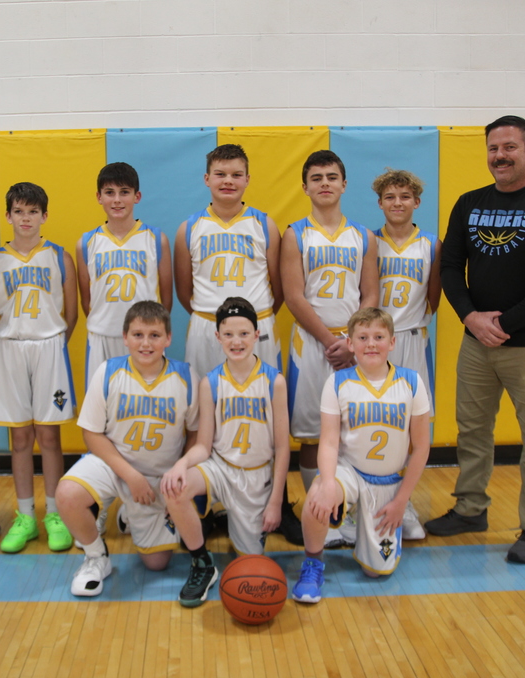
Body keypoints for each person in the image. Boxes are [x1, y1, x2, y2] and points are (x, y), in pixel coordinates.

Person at [425, 115, 525, 565]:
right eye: (494, 148)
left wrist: (504, 324)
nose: (501, 156)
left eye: (510, 147)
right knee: (472, 430)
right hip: (477, 343)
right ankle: (470, 509)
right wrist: (471, 318)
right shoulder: (470, 203)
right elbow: (450, 267)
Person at [174, 143, 301, 544]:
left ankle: (277, 501)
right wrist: (218, 323)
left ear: (247, 179)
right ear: (206, 179)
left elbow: (277, 287)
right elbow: (184, 290)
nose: (228, 181)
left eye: (236, 174)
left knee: (267, 415)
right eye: (220, 174)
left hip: (256, 326)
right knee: (201, 416)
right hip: (206, 326)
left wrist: (249, 324)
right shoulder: (189, 227)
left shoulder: (265, 225)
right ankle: (205, 504)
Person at [56, 301, 200, 597]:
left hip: (158, 477)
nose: (146, 343)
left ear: (168, 338)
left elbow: (195, 434)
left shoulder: (186, 377)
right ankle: (96, 557)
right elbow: (91, 433)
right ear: (125, 337)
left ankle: (129, 514)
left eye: (154, 335)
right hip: (113, 465)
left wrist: (179, 474)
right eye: (137, 335)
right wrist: (131, 476)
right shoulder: (108, 372)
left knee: (157, 564)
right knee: (68, 493)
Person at [291, 308, 431, 603]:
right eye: (363, 337)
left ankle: (364, 532)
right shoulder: (338, 382)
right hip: (350, 473)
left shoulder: (412, 382)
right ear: (350, 344)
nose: (371, 344)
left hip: (388, 482)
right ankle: (313, 564)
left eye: (379, 337)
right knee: (317, 496)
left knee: (375, 572)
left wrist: (401, 502)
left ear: (392, 342)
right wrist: (328, 481)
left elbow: (421, 448)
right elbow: (329, 442)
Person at [162, 297, 291, 608]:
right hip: (220, 468)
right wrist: (181, 464)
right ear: (217, 337)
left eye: (244, 333)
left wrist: (276, 502)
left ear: (257, 334)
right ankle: (202, 563)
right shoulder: (210, 382)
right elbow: (204, 446)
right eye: (229, 334)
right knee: (174, 488)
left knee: (251, 568)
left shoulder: (274, 381)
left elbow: (282, 447)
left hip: (256, 477)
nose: (237, 341)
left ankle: (234, 523)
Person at [280, 150, 378, 547]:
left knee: (353, 430)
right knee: (311, 435)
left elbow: (370, 293)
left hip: (354, 346)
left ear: (344, 184)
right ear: (305, 187)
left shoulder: (364, 236)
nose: (324, 183)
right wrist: (329, 341)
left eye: (332, 177)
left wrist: (353, 342)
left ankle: (348, 509)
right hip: (311, 345)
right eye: (316, 178)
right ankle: (320, 511)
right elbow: (293, 295)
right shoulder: (295, 234)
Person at [76, 162, 173, 538]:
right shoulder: (87, 242)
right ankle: (100, 504)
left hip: (144, 343)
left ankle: (140, 506)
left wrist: (150, 336)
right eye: (110, 193)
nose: (117, 200)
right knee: (101, 426)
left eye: (124, 192)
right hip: (103, 339)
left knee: (141, 422)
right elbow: (88, 300)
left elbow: (165, 299)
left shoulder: (155, 239)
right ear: (98, 197)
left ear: (137, 196)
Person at [0, 182, 78, 554]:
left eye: (33, 212)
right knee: (20, 438)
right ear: (8, 216)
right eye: (19, 212)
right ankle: (25, 516)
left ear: (45, 216)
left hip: (49, 347)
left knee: (49, 436)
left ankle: (55, 514)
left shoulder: (59, 257)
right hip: (10, 348)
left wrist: (52, 341)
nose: (26, 218)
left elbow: (71, 313)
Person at [372, 168, 443, 541]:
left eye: (404, 197)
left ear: (417, 201)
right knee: (371, 421)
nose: (397, 203)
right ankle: (363, 502)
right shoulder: (369, 242)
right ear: (380, 203)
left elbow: (434, 298)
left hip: (413, 339)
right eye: (390, 197)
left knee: (414, 428)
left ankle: (405, 502)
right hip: (375, 342)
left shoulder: (431, 244)